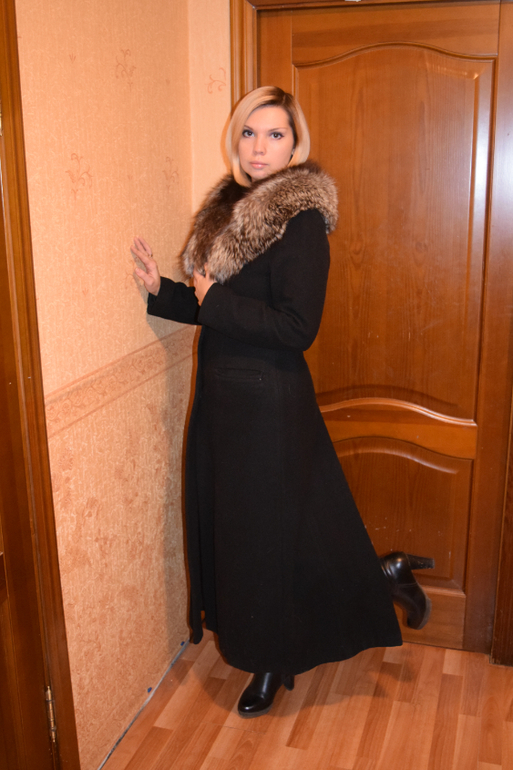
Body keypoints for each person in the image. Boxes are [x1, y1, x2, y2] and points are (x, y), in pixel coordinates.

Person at [132, 86, 434, 719]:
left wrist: (214, 300)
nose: (259, 147)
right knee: (273, 531)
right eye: (249, 132)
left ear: (296, 146)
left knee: (264, 539)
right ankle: (383, 574)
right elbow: (212, 304)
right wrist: (163, 290)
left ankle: (272, 659)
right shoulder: (227, 209)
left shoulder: (300, 221)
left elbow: (297, 327)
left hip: (269, 405)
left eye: (275, 135)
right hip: (224, 401)